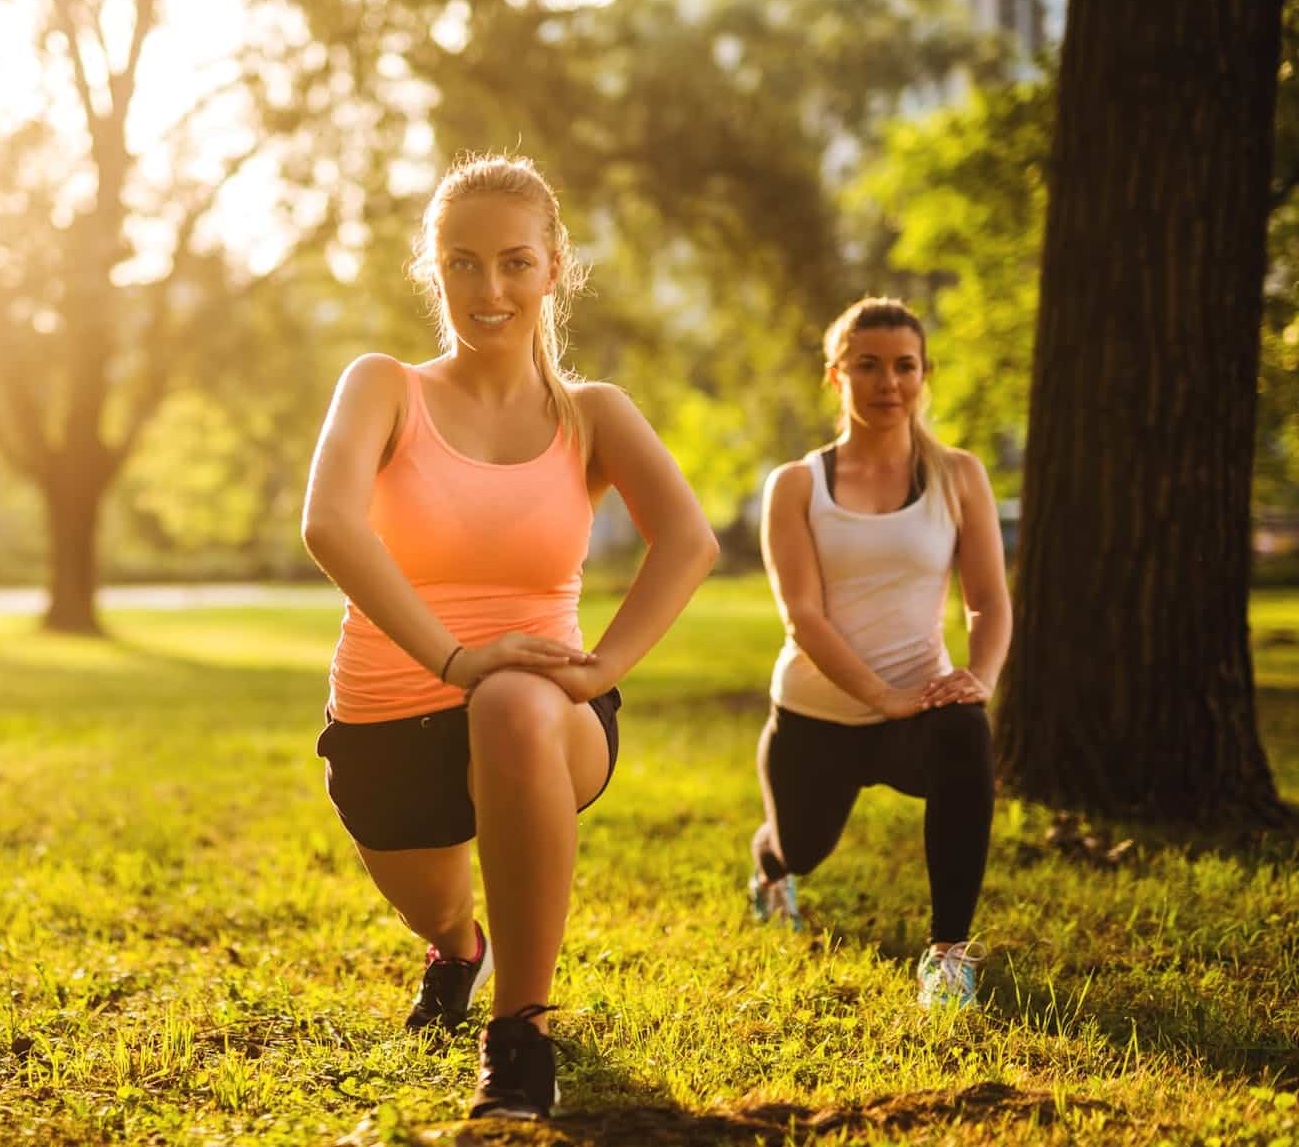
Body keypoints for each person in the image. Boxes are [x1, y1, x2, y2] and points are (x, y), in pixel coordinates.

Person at [301, 153, 719, 1120]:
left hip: (543, 718)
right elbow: (330, 525)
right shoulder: (384, 387)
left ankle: (522, 1034)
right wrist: (452, 658)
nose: (490, 289)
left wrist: (602, 667)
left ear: (555, 266)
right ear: (433, 270)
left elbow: (688, 542)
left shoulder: (594, 413)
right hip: (388, 721)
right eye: (463, 263)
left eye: (515, 263)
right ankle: (461, 952)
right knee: (436, 907)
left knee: (515, 697)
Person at [749, 297, 1011, 1009]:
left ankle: (948, 954)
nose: (888, 382)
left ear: (924, 376)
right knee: (800, 848)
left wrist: (977, 679)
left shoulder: (958, 476)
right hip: (816, 714)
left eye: (904, 366)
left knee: (965, 731)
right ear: (836, 376)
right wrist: (883, 697)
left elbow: (987, 599)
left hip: (916, 713)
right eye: (867, 366)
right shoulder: (798, 484)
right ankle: (769, 867)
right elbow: (802, 615)